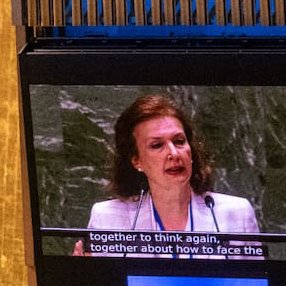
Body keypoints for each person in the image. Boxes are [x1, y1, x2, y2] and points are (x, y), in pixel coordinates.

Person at [84, 94, 259, 247]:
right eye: (157, 145)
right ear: (137, 161)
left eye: (179, 141)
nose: (174, 153)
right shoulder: (107, 219)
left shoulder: (236, 213)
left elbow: (256, 283)